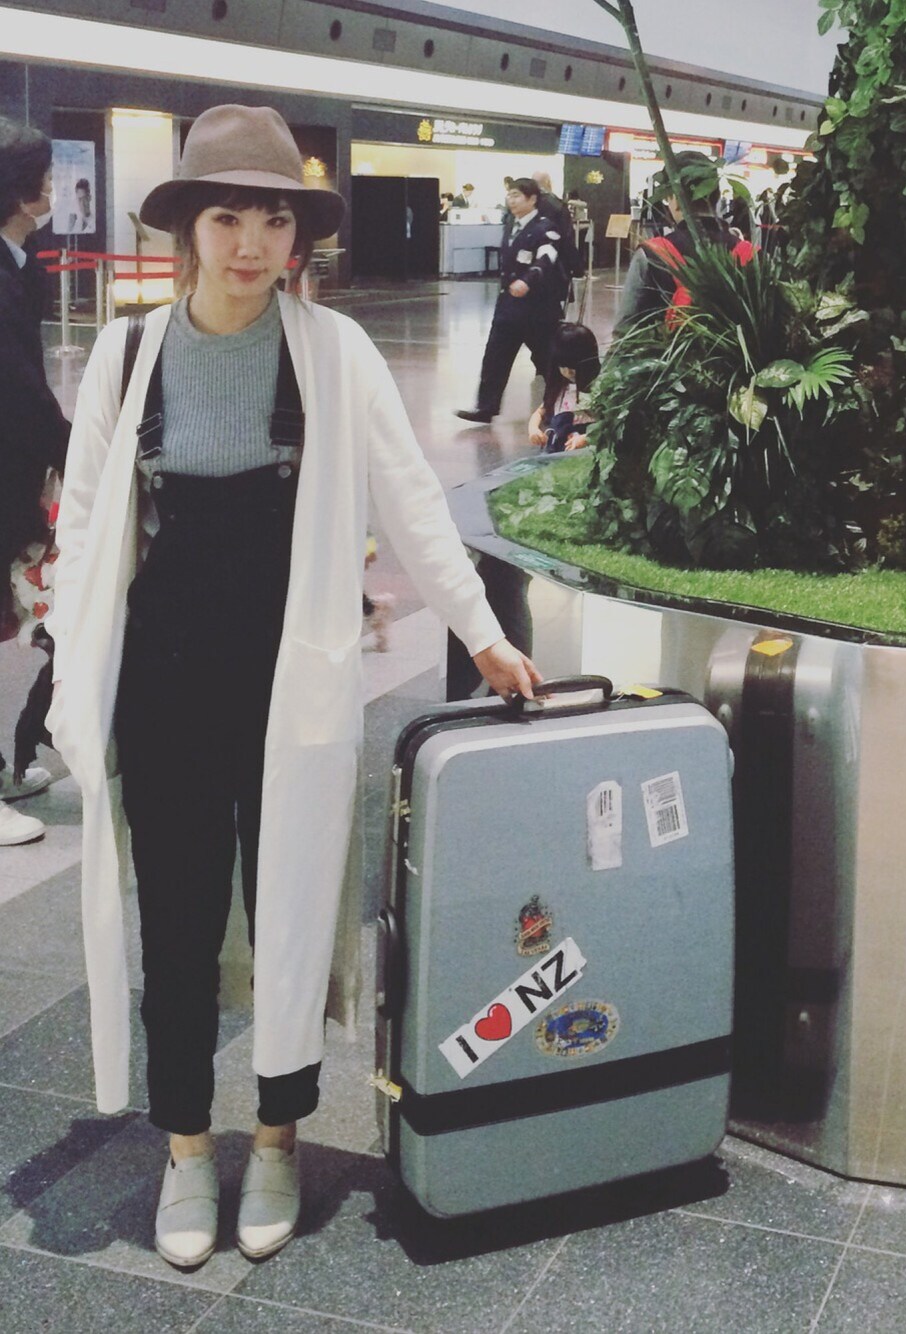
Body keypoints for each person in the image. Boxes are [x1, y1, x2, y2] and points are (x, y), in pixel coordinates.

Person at [46, 104, 541, 1270]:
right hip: (164, 676)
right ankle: (185, 1146)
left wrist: (480, 634)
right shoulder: (129, 353)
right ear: (187, 226)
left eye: (274, 220)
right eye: (228, 216)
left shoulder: (331, 350)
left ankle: (276, 1136)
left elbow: (411, 500)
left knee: (293, 908)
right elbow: (86, 522)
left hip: (292, 676)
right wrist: (70, 660)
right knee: (175, 917)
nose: (252, 243)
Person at [0, 116, 70, 846]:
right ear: (23, 194)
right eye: (46, 178)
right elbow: (15, 385)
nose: (54, 189)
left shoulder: (22, 261)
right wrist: (72, 447)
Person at [454, 177, 564, 424]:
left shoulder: (545, 228)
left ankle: (559, 406)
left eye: (516, 196)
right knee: (495, 355)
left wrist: (528, 280)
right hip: (508, 306)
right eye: (509, 195)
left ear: (532, 199)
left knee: (548, 359)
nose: (511, 201)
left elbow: (546, 258)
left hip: (537, 309)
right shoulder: (511, 225)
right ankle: (486, 407)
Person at [613, 151, 751, 339]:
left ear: (676, 199)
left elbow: (624, 332)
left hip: (667, 357)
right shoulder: (747, 254)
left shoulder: (652, 254)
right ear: (718, 196)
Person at [527, 323, 600, 454]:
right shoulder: (560, 388)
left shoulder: (599, 388)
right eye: (562, 367)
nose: (568, 372)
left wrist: (587, 437)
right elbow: (539, 412)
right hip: (557, 451)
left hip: (588, 452)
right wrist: (533, 429)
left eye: (573, 367)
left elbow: (609, 424)